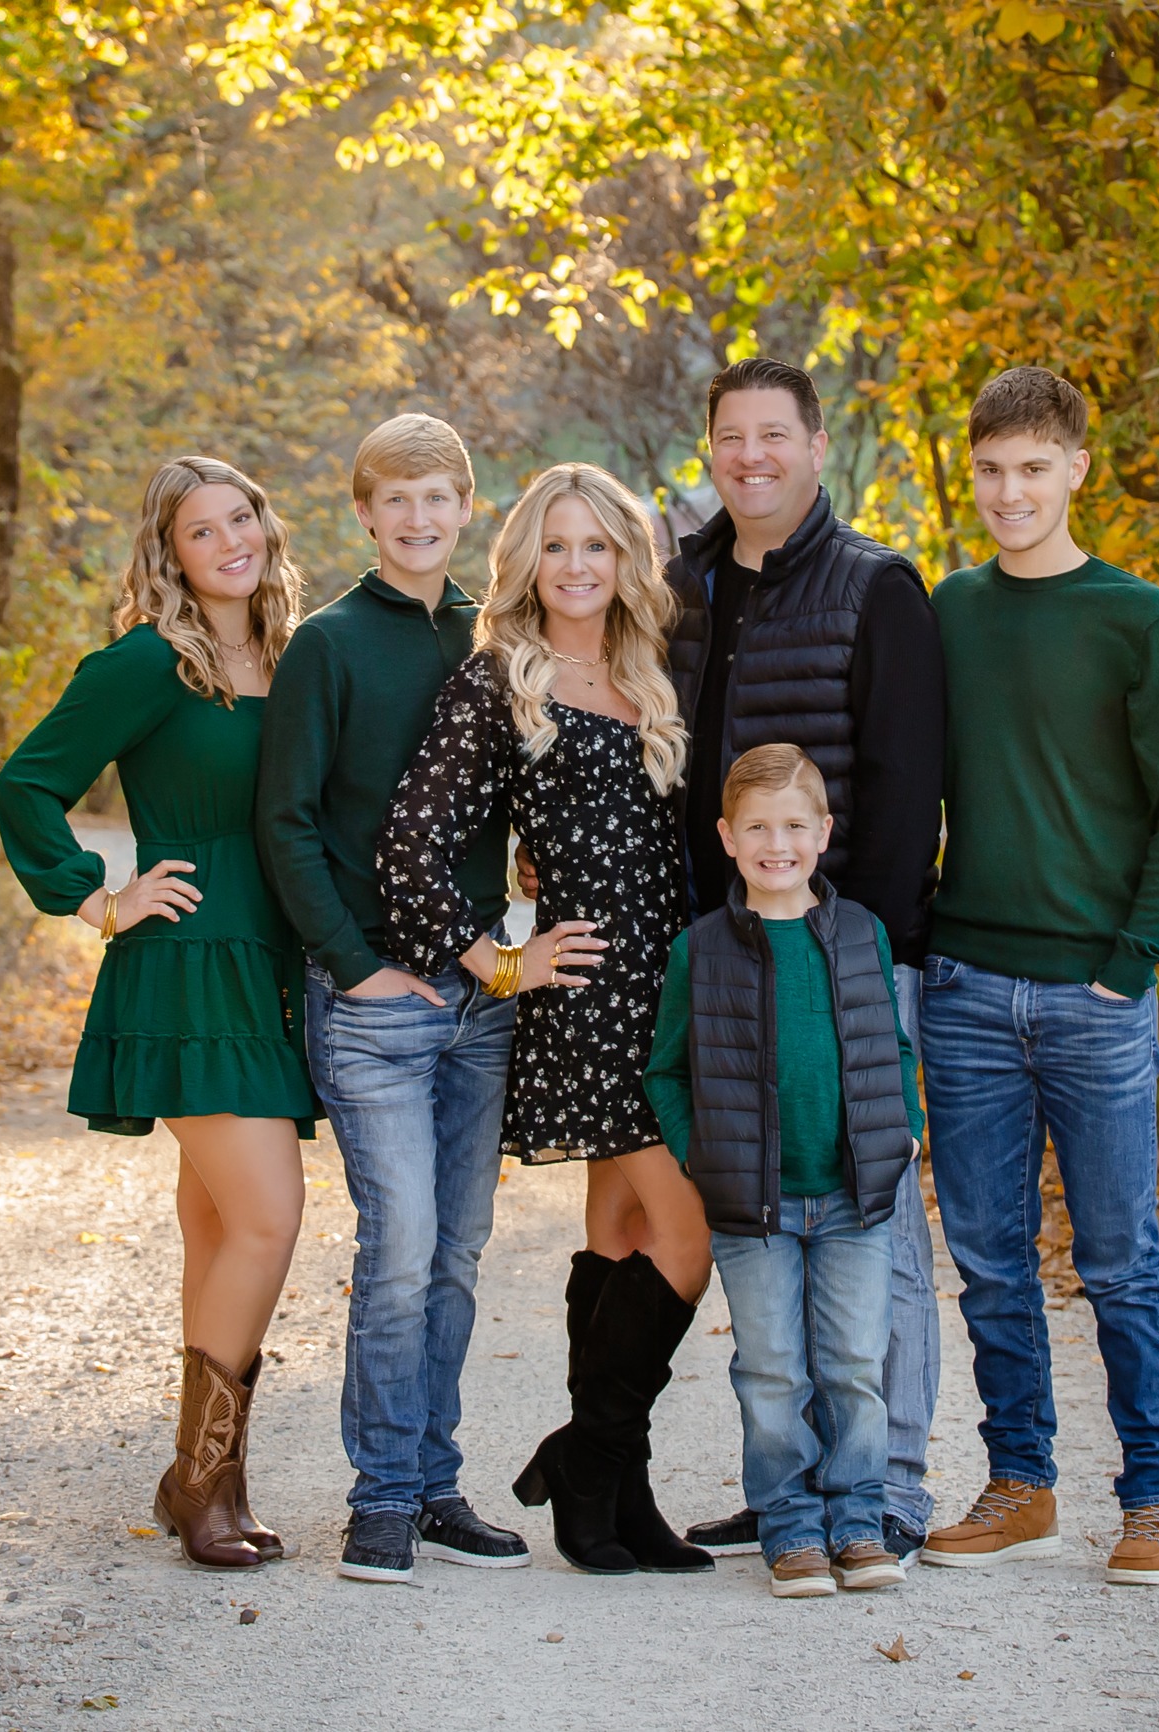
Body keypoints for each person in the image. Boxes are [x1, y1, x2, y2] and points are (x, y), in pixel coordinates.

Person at [378, 461, 712, 1577]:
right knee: (685, 1236)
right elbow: (409, 848)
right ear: (528, 559)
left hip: (666, 989)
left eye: (597, 547)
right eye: (556, 547)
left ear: (626, 560)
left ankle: (612, 1496)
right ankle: (586, 1456)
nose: (576, 567)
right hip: (581, 999)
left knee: (617, 1237)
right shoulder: (499, 679)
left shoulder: (646, 669)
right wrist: (500, 960)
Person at [917, 367, 1159, 1584]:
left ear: (1075, 470)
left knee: (1117, 1261)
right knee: (990, 1258)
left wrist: (1129, 962)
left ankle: (1155, 1496)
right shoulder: (950, 611)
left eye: (1031, 469)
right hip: (968, 987)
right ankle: (1019, 1481)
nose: (1007, 493)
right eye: (989, 470)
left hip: (1095, 997)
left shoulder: (1137, 618)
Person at [0, 455, 313, 1571]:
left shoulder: (291, 653)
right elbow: (25, 781)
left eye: (242, 518)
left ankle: (213, 1482)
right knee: (271, 1215)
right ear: (167, 552)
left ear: (266, 529)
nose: (228, 542)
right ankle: (197, 1480)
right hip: (185, 963)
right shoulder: (146, 662)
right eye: (199, 530)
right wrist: (96, 894)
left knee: (222, 1225)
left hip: (270, 964)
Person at [666, 357, 947, 1564]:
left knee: (870, 1225)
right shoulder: (680, 582)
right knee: (771, 1228)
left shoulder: (875, 585)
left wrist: (858, 953)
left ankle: (886, 1485)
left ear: (816, 445)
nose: (751, 457)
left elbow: (900, 787)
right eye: (731, 437)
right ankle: (796, 1487)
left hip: (850, 955)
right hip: (725, 956)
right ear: (711, 450)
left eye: (773, 435)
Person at [255, 415, 525, 1584]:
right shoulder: (327, 645)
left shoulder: (494, 635)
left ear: (468, 504)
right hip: (371, 1000)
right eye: (394, 501)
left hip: (480, 996)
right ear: (363, 514)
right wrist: (354, 960)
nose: (417, 519)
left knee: (458, 1252)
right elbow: (287, 819)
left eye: (437, 498)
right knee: (402, 1241)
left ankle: (434, 1482)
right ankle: (378, 1498)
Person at [644, 745, 924, 1598]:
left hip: (854, 1197)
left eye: (795, 825)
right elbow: (666, 1070)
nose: (778, 844)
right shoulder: (703, 949)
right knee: (771, 1367)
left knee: (851, 1364)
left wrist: (905, 1130)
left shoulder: (859, 933)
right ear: (726, 838)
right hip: (753, 1208)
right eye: (758, 828)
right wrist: (702, 1154)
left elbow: (893, 1047)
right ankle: (791, 1527)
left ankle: (858, 1521)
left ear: (824, 832)